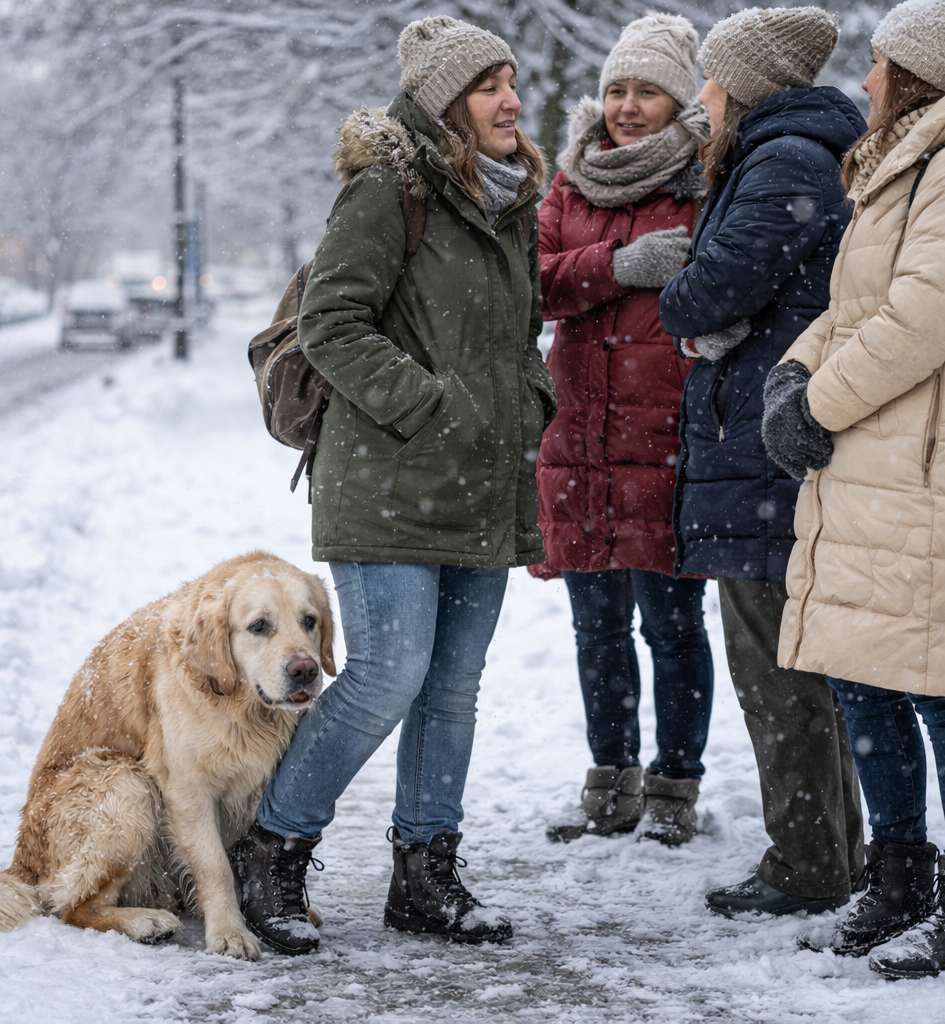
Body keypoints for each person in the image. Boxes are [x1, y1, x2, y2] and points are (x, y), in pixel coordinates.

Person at [228, 15, 553, 955]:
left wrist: (526, 403)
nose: (510, 100)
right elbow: (330, 321)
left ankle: (425, 877)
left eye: (512, 82)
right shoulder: (390, 190)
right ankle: (272, 854)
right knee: (383, 677)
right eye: (489, 85)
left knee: (453, 689)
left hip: (481, 483)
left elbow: (509, 337)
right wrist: (430, 405)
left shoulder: (508, 201)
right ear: (447, 100)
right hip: (388, 479)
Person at [761, 0, 945, 979]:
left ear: (922, 71)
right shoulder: (906, 162)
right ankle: (896, 881)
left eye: (882, 62)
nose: (867, 78)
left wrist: (821, 404)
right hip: (877, 455)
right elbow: (856, 308)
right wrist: (793, 376)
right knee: (867, 675)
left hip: (933, 459)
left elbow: (924, 317)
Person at [658, 7, 870, 916]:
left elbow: (706, 292)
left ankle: (810, 861)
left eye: (710, 80)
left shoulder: (782, 159)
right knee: (799, 668)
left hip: (759, 454)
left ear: (743, 87)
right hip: (764, 444)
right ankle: (834, 851)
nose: (699, 100)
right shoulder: (792, 152)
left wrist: (688, 302)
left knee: (777, 671)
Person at [532, 13, 714, 849]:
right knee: (595, 626)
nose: (627, 107)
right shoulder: (572, 185)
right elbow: (532, 286)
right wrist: (614, 268)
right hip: (580, 442)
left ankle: (676, 787)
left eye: (646, 91)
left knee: (672, 628)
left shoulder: (702, 183)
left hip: (667, 442)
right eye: (616, 89)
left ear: (678, 100)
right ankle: (611, 785)